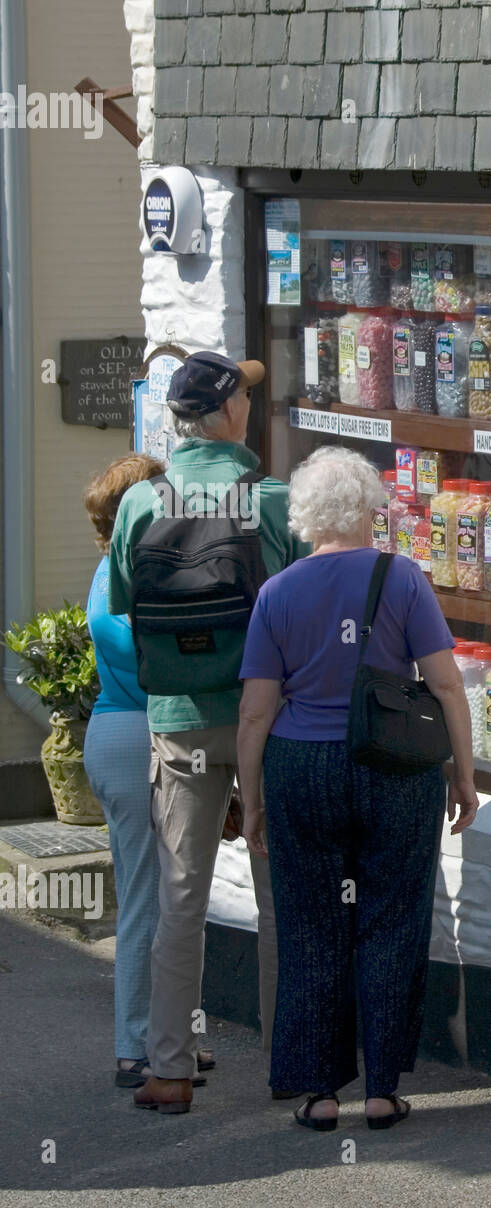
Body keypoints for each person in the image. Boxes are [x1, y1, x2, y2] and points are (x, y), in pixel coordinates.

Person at [236, 447, 477, 1131]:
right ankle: (382, 1086)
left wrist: (250, 799)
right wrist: (462, 773)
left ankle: (316, 1093)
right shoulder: (400, 578)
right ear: (371, 511)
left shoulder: (278, 592)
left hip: (301, 769)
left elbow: (256, 711)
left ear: (307, 516)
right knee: (392, 919)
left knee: (310, 924)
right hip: (393, 768)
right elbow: (447, 684)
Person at [107, 352, 309, 1115]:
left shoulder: (140, 502)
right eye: (245, 400)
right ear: (229, 414)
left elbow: (129, 599)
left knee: (180, 897)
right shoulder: (274, 499)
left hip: (179, 721)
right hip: (265, 720)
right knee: (276, 897)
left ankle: (167, 1070)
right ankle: (289, 1063)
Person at [83, 453, 216, 1088]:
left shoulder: (134, 570)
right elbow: (145, 660)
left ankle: (175, 1037)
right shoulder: (114, 576)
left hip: (147, 731)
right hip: (134, 731)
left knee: (178, 895)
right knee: (147, 895)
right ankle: (135, 1043)